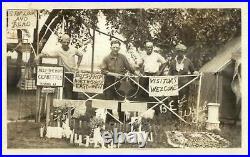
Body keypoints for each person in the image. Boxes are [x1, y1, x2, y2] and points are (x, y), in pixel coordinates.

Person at [35, 34, 83, 99]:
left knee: (75, 93)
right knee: (67, 92)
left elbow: (80, 55)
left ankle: (73, 108)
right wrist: (38, 56)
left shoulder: (73, 49)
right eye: (64, 42)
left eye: (68, 42)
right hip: (66, 74)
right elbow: (47, 53)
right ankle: (67, 107)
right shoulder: (58, 50)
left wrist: (78, 65)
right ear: (61, 42)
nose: (66, 44)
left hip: (74, 74)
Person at [100, 39, 135, 121]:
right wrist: (114, 74)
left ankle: (122, 119)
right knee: (109, 102)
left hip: (120, 83)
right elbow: (103, 71)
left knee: (121, 101)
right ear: (111, 47)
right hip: (109, 82)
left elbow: (129, 68)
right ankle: (109, 120)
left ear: (119, 48)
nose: (115, 49)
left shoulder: (122, 57)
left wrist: (137, 73)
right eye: (114, 47)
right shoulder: (106, 58)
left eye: (117, 47)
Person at [168, 43, 198, 118]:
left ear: (184, 52)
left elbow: (193, 71)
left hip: (184, 85)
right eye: (178, 51)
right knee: (174, 101)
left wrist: (196, 73)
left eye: (181, 51)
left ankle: (184, 118)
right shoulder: (173, 62)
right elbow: (169, 73)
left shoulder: (188, 61)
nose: (180, 53)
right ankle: (174, 118)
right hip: (174, 85)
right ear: (176, 52)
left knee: (184, 101)